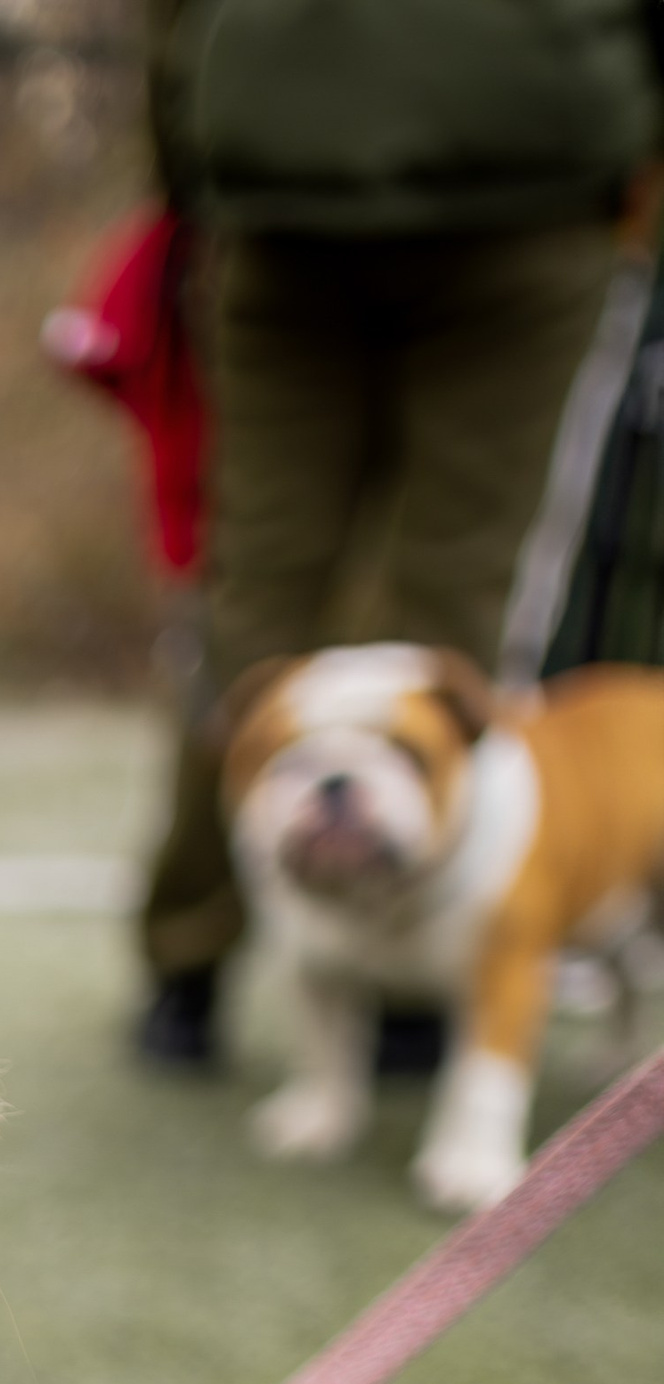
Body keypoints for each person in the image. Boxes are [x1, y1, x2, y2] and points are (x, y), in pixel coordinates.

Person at [135, 0, 664, 1068]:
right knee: (456, 591)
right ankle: (426, 990)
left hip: (278, 165)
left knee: (255, 599)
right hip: (526, 167)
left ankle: (186, 973)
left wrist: (197, 151)